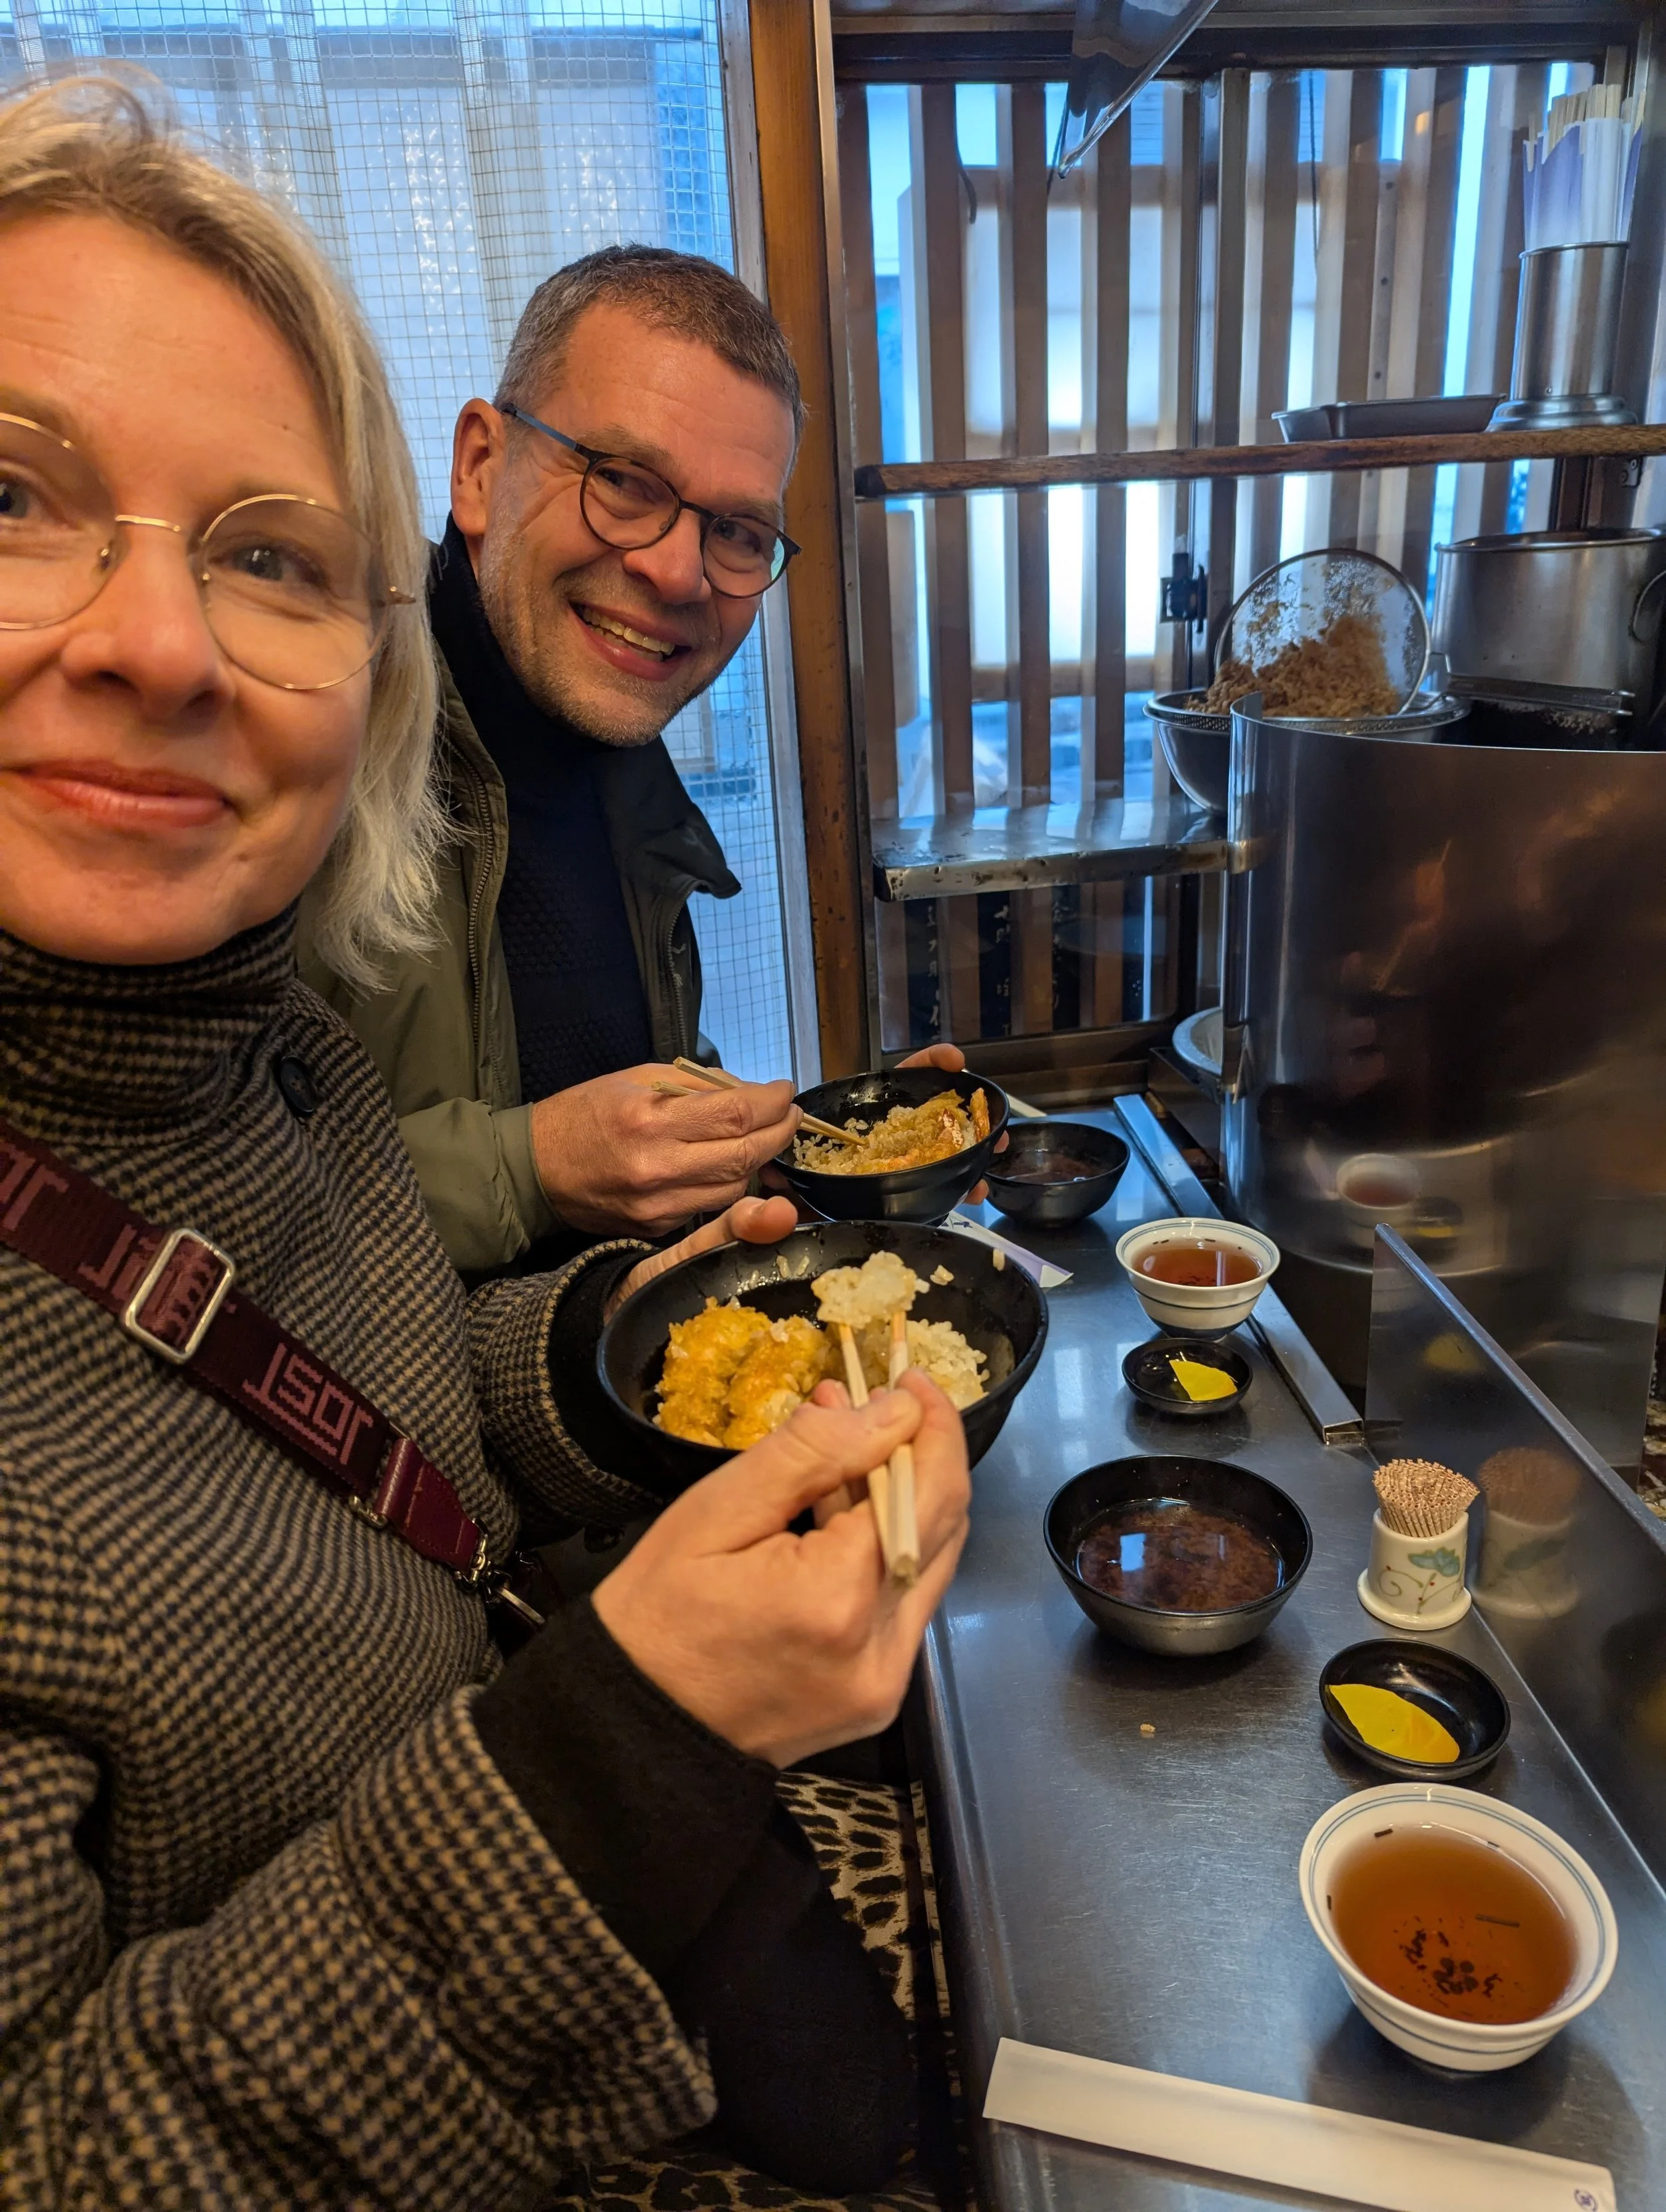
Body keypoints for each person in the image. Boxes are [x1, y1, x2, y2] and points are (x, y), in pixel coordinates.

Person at [0, 75, 969, 2208]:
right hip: (508, 1810)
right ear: (470, 472)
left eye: (261, 555)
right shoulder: (322, 860)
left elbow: (337, 1382)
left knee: (888, 2097)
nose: (159, 642)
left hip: (495, 1676)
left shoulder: (241, 1004)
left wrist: (638, 1346)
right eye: (15, 498)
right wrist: (620, 1751)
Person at [296, 245, 971, 1277]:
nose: (675, 571)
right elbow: (184, 1192)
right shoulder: (296, 738)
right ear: (480, 465)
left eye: (739, 532)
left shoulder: (616, 758)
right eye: (621, 480)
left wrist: (814, 1154)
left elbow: (622, 1115)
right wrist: (531, 1169)